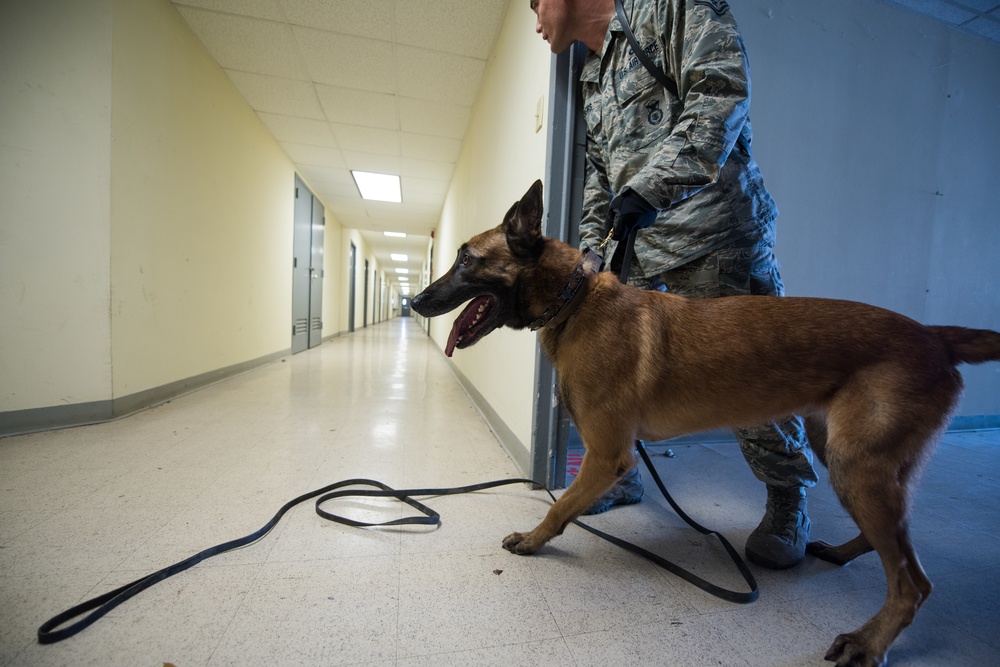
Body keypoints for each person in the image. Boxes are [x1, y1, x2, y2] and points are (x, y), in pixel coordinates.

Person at [530, 0, 818, 569]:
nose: (535, 21)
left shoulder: (665, 9)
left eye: (534, 4)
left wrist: (651, 188)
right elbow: (597, 175)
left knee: (754, 376)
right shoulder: (591, 78)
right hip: (636, 255)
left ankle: (788, 499)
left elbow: (720, 92)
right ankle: (617, 476)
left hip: (716, 236)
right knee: (605, 384)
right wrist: (592, 252)